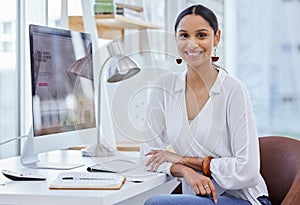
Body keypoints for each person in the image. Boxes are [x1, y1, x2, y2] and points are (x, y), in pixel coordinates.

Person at [140, 4, 271, 205]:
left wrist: (184, 159)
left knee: (157, 204)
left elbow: (248, 169)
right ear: (175, 39)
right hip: (198, 197)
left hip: (242, 198)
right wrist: (184, 171)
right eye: (184, 35)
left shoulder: (233, 90)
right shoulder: (163, 87)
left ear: (216, 37)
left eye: (201, 35)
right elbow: (148, 156)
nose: (192, 44)